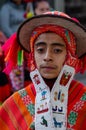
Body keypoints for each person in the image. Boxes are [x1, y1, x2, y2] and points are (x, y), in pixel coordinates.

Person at [0, 11, 86, 130]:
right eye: (40, 50)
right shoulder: (14, 105)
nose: (47, 57)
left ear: (69, 56)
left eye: (57, 50)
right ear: (32, 56)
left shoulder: (83, 99)